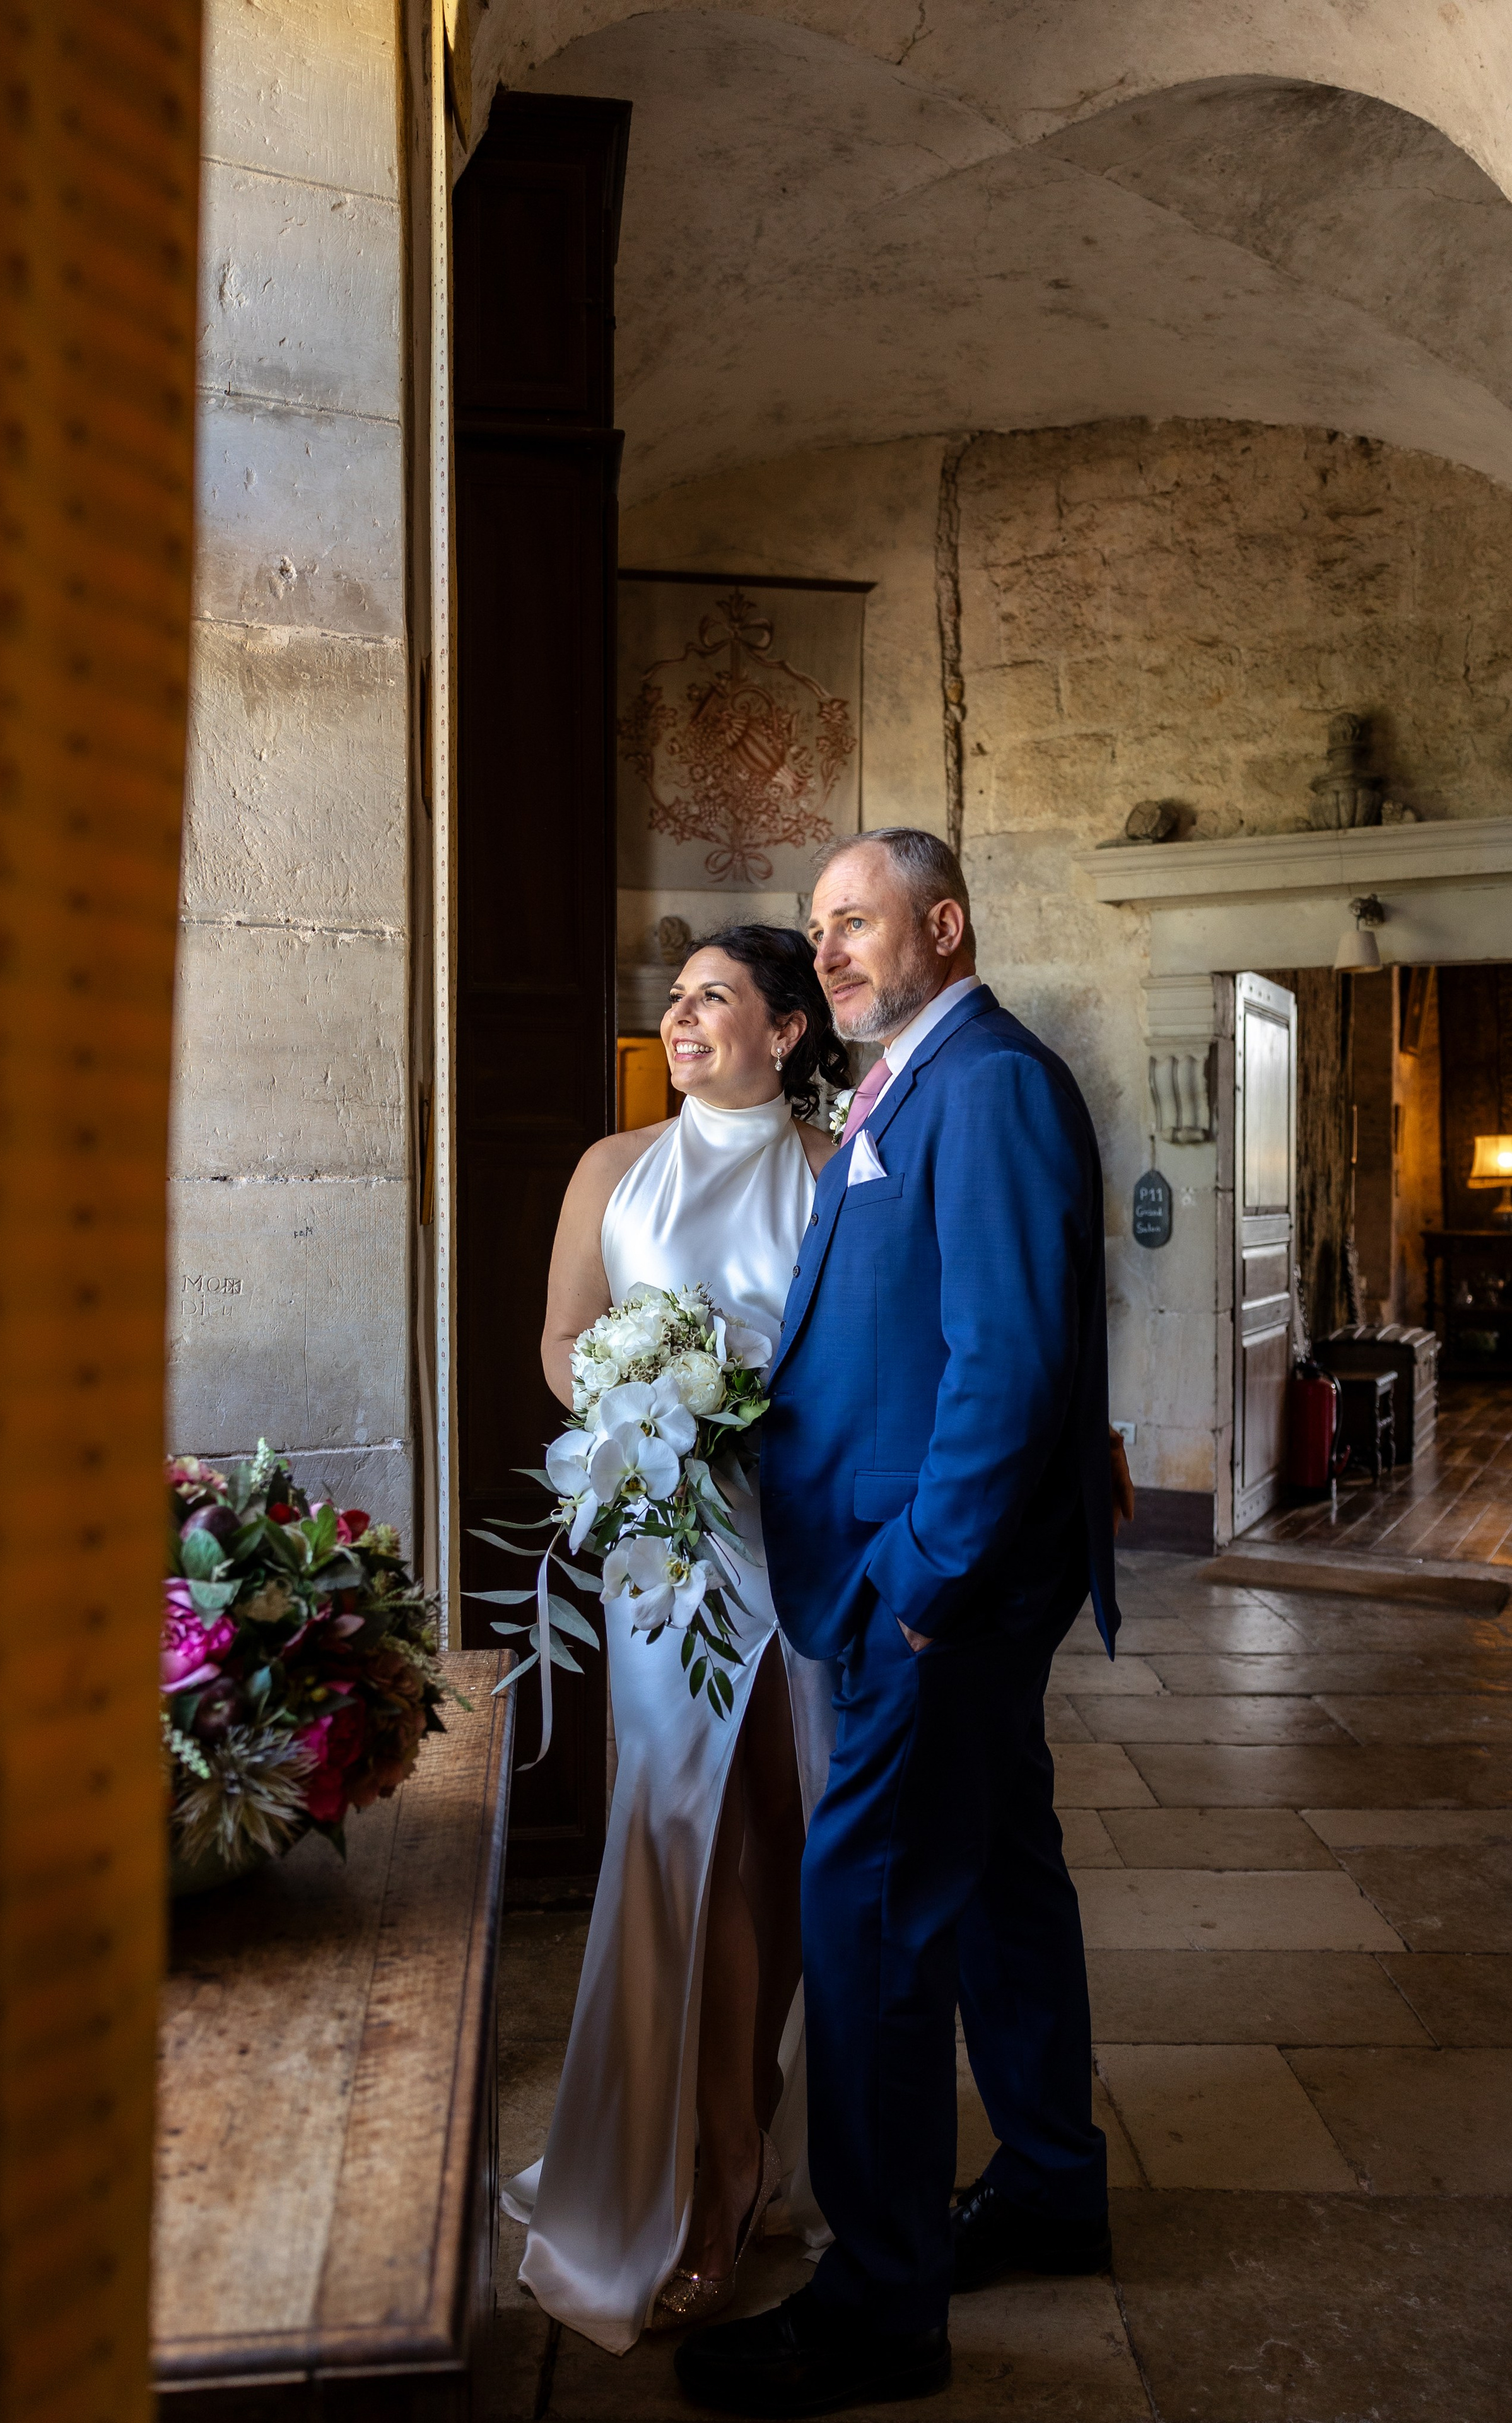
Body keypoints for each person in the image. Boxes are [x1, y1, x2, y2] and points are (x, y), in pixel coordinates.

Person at [675, 830, 1122, 2419]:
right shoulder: (907, 1079)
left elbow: (1004, 1360)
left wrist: (924, 1581)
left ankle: (876, 2306)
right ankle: (1055, 2184)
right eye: (817, 930)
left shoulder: (986, 1082)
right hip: (925, 1571)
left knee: (862, 1906)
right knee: (998, 1868)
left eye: (854, 923)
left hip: (931, 1586)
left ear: (942, 923)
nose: (832, 952)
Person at [501, 926, 848, 2354]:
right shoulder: (609, 1167)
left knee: (787, 1826)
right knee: (682, 1841)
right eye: (679, 994)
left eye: (715, 995)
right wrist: (644, 1409)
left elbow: (867, 1352)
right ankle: (704, 2176)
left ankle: (754, 2126)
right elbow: (562, 1340)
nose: (682, 1012)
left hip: (801, 1528)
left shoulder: (838, 1169)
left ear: (784, 1028)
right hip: (669, 1537)